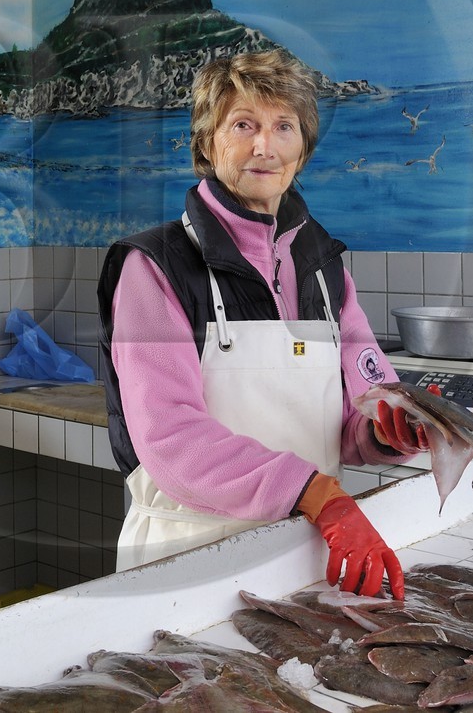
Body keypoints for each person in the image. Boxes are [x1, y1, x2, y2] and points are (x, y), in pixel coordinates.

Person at [96, 50, 426, 597]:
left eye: (283, 127)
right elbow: (171, 439)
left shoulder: (322, 266)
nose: (264, 146)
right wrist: (322, 496)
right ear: (208, 144)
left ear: (303, 148)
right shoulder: (155, 266)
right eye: (243, 125)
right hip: (185, 555)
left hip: (303, 549)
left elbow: (353, 415)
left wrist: (392, 432)